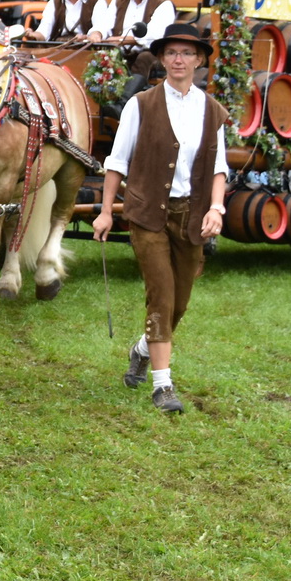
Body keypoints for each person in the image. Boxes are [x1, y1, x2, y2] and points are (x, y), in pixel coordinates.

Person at [91, 22, 228, 415]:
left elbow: (219, 168)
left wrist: (216, 208)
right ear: (162, 59)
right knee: (161, 296)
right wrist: (104, 212)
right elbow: (116, 162)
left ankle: (141, 348)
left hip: (192, 216)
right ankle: (162, 386)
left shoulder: (211, 110)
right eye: (171, 53)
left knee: (179, 305)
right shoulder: (141, 105)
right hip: (147, 214)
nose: (179, 60)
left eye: (187, 53)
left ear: (200, 60)